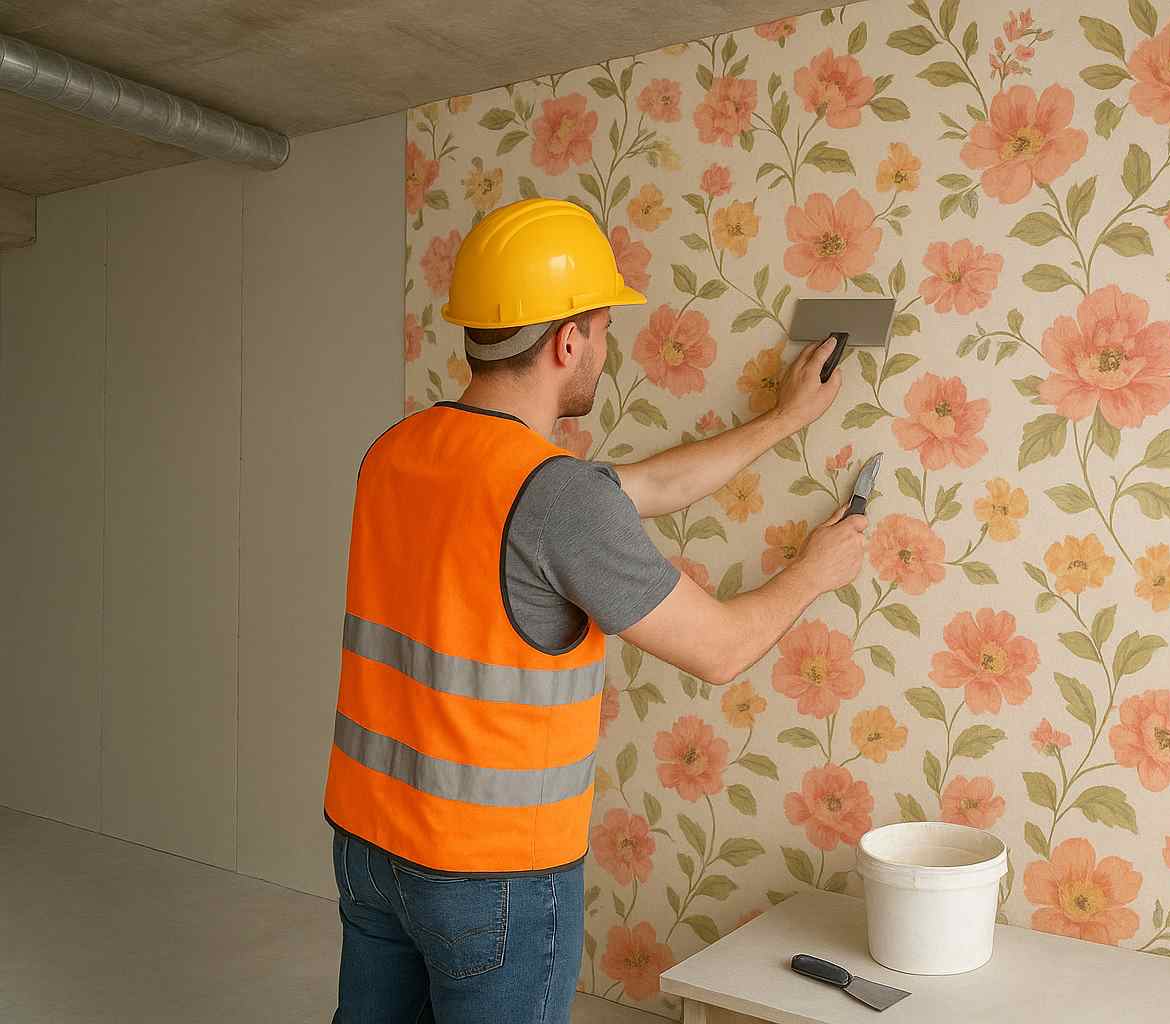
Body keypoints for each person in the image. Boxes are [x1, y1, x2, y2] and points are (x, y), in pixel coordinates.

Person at [324, 198, 868, 1023]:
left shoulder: (398, 451)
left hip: (369, 845)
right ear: (566, 341)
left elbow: (649, 486)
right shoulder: (555, 498)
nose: (606, 351)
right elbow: (719, 649)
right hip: (489, 875)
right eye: (606, 330)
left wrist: (784, 421)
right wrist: (813, 573)